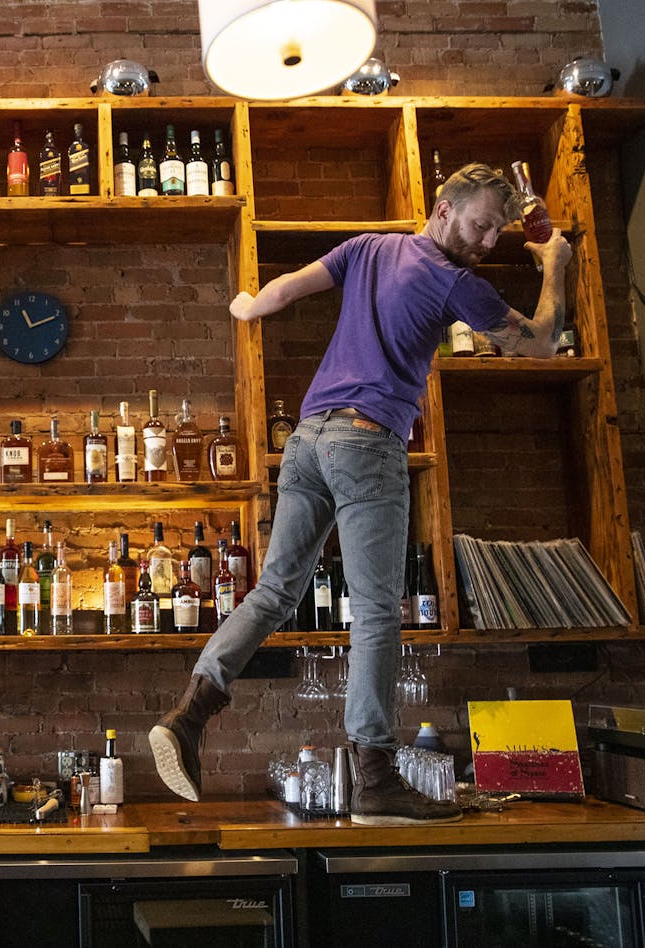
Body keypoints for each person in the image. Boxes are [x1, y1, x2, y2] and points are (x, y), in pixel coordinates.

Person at [149, 163, 573, 825]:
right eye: (482, 224)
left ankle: (189, 714)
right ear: (443, 208)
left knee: (274, 590)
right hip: (369, 443)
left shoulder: (369, 246)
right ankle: (374, 776)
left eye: (497, 230)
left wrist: (246, 305)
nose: (488, 242)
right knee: (376, 611)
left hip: (308, 439)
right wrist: (555, 264)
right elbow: (543, 345)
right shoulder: (457, 281)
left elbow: (288, 289)